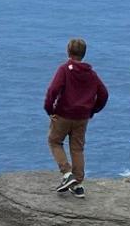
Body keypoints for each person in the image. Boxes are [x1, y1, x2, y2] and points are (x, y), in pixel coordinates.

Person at [43, 37, 107, 197]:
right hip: (82, 117)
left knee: (54, 141)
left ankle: (67, 173)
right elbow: (104, 94)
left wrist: (49, 109)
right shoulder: (91, 74)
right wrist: (92, 110)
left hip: (63, 114)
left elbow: (53, 90)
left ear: (68, 52)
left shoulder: (64, 69)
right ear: (83, 54)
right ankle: (77, 184)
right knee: (77, 148)